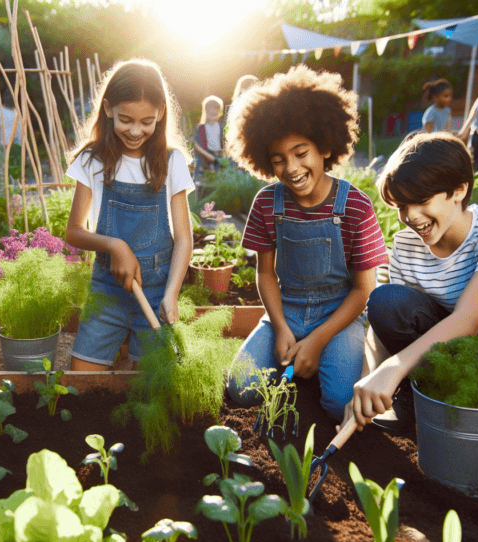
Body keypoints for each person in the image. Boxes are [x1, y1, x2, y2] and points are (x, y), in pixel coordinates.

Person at [224, 65, 388, 421]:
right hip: (287, 310)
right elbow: (265, 275)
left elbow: (363, 291)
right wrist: (281, 326)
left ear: (325, 146)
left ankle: (320, 363)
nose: (292, 168)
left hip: (340, 315)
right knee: (240, 389)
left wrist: (317, 340)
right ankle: (300, 361)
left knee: (338, 404)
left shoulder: (355, 205)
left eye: (301, 153)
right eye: (279, 159)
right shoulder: (268, 203)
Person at [347, 132, 478, 433]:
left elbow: (468, 321)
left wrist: (395, 368)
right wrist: (366, 382)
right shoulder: (405, 244)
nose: (411, 216)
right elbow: (382, 322)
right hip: (429, 347)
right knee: (385, 300)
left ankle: (425, 395)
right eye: (401, 206)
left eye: (421, 201)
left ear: (458, 189)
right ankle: (416, 395)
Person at [64, 59, 195, 371]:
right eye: (126, 119)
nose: (136, 131)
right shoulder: (91, 160)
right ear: (108, 109)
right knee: (82, 380)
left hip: (155, 292)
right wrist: (115, 246)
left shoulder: (170, 161)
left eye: (147, 121)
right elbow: (73, 232)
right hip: (107, 289)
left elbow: (184, 240)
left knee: (145, 389)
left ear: (161, 113)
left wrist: (171, 294)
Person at [193, 95, 224, 184]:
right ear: (205, 112)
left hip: (218, 157)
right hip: (205, 156)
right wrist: (209, 156)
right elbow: (197, 145)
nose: (213, 118)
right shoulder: (201, 128)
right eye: (211, 115)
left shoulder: (220, 127)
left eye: (215, 115)